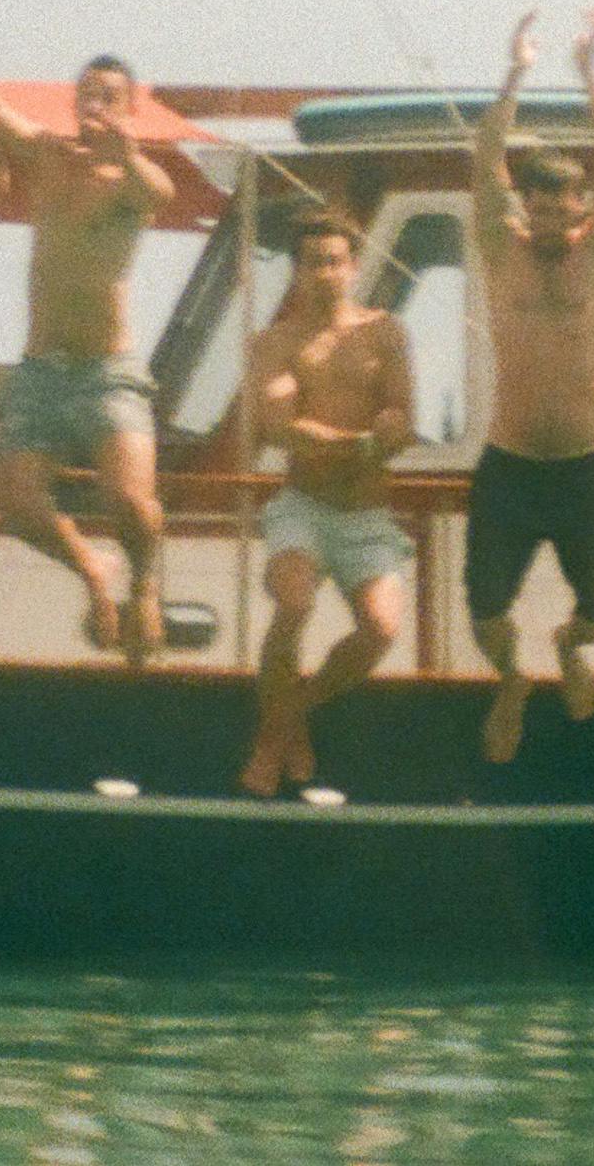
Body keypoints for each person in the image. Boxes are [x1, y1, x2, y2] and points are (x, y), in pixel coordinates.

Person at [0, 38, 180, 664]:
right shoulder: (46, 158)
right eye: (88, 96)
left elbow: (161, 192)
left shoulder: (132, 182)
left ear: (131, 111)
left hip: (108, 375)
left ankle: (144, 582)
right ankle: (93, 571)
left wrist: (125, 153)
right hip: (42, 370)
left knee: (132, 504)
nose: (96, 107)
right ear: (73, 103)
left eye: (110, 100)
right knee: (14, 505)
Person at [464, 10, 594, 759]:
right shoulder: (500, 248)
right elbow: (485, 155)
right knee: (485, 614)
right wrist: (515, 72)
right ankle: (512, 679)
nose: (546, 219)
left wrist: (587, 74)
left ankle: (570, 650)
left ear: (582, 212)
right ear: (524, 209)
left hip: (583, 467)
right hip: (509, 465)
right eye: (535, 207)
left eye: (560, 208)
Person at [239, 213, 417, 797]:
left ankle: (291, 715)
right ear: (296, 269)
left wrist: (386, 430)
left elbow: (402, 421)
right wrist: (366, 440)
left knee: (381, 630)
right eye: (312, 262)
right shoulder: (275, 343)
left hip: (367, 514)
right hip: (304, 505)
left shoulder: (386, 333)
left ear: (354, 267)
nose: (324, 273)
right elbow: (284, 429)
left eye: (335, 261)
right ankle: (271, 742)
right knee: (292, 604)